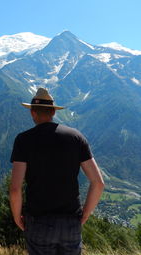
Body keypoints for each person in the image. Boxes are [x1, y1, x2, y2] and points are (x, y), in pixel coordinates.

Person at [9, 88, 104, 255]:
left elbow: (15, 189)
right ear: (53, 112)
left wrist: (17, 217)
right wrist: (85, 215)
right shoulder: (76, 137)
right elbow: (98, 183)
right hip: (71, 221)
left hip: (38, 221)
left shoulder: (23, 140)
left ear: (32, 112)